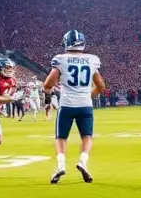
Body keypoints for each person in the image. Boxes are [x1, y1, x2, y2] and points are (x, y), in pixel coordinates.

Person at [42, 30, 104, 184]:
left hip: (67, 105)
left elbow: (48, 84)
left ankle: (61, 166)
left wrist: (48, 100)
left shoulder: (61, 59)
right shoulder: (92, 59)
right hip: (85, 106)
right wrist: (87, 95)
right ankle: (82, 162)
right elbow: (101, 86)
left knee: (61, 138)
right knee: (87, 137)